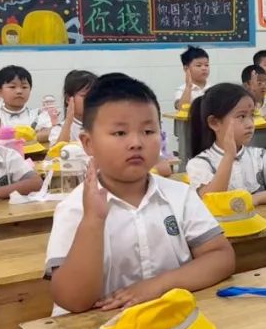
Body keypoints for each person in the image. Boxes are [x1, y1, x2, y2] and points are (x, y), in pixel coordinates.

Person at [46, 74, 235, 315]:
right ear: (88, 143)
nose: (136, 142)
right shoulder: (75, 209)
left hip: (167, 320)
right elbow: (73, 301)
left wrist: (157, 286)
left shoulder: (180, 196)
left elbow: (221, 257)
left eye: (148, 131)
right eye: (120, 133)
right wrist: (93, 221)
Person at [186, 83, 266, 204]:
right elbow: (211, 200)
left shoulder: (262, 157)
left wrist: (253, 199)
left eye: (252, 115)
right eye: (241, 116)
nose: (250, 124)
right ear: (214, 123)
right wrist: (229, 156)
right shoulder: (200, 163)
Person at [0, 65, 53, 139]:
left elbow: (49, 133)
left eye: (24, 87)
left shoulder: (38, 114)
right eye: (12, 87)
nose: (19, 91)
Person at [49, 70, 98, 145]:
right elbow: (58, 153)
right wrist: (68, 120)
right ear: (68, 99)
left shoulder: (104, 126)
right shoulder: (59, 129)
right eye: (85, 96)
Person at [174, 45, 210, 110]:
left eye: (206, 65)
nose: (204, 68)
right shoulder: (181, 90)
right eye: (199, 65)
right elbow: (181, 108)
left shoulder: (213, 88)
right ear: (186, 69)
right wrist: (188, 86)